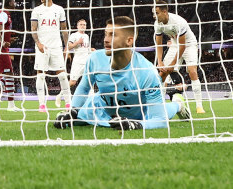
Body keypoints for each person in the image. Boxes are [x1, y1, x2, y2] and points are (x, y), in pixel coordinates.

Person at [54, 16, 190, 131]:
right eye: (106, 34)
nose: (106, 40)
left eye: (113, 35)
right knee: (71, 122)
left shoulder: (147, 72)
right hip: (100, 109)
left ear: (129, 41)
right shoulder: (95, 59)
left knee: (163, 112)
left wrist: (135, 124)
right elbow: (84, 87)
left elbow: (160, 121)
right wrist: (73, 111)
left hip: (138, 114)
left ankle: (178, 104)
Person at [154, 0, 205, 114]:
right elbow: (158, 44)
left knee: (192, 71)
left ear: (164, 11)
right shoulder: (157, 24)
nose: (154, 16)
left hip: (189, 44)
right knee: (162, 73)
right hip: (175, 44)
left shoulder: (178, 22)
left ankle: (199, 106)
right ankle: (159, 104)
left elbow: (183, 46)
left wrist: (173, 64)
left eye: (157, 13)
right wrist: (160, 61)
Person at [30, 0, 70, 113]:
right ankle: (42, 105)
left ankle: (68, 104)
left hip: (56, 47)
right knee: (41, 76)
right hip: (42, 47)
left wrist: (66, 46)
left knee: (63, 75)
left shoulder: (59, 10)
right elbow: (33, 29)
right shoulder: (37, 10)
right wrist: (38, 43)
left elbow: (64, 29)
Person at [65, 19, 95, 96]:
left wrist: (91, 49)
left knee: (90, 80)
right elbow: (69, 47)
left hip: (87, 62)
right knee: (72, 82)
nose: (83, 26)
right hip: (78, 62)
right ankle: (61, 94)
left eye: (84, 25)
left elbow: (86, 48)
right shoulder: (74, 35)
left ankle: (91, 99)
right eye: (81, 24)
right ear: (77, 26)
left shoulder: (86, 36)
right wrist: (77, 42)